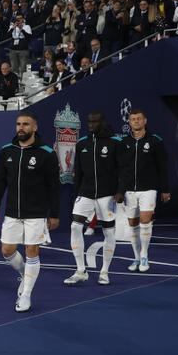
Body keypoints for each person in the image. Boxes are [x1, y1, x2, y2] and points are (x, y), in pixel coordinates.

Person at [0, 112, 60, 312]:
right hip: (12, 211)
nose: (21, 127)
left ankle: (26, 294)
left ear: (34, 127)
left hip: (36, 213)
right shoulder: (7, 151)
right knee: (7, 250)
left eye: (26, 124)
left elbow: (53, 186)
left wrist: (54, 213)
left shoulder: (46, 152)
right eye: (18, 124)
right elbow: (0, 181)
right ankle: (24, 273)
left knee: (32, 251)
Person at [64, 111, 120, 285]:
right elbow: (78, 172)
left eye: (95, 122)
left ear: (102, 122)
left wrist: (120, 191)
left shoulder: (115, 142)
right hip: (85, 192)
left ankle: (104, 271)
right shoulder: (82, 143)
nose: (91, 125)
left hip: (108, 194)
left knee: (108, 232)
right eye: (89, 122)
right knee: (75, 226)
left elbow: (124, 170)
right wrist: (76, 194)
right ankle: (81, 270)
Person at [115, 108, 169, 272]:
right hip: (129, 190)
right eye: (133, 119)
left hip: (149, 189)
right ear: (129, 122)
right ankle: (136, 258)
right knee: (132, 224)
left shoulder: (155, 141)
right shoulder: (123, 142)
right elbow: (121, 168)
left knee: (145, 221)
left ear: (145, 121)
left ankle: (144, 255)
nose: (136, 121)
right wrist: (120, 190)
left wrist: (165, 189)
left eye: (139, 119)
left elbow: (162, 167)